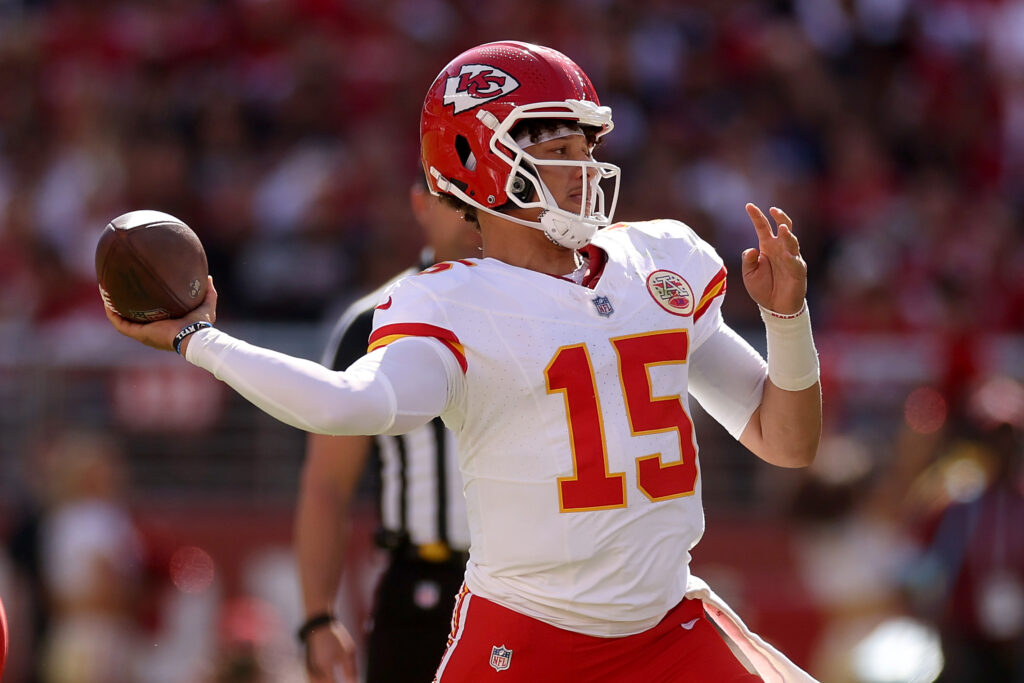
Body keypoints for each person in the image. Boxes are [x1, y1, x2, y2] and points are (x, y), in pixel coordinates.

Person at [104, 40, 823, 682]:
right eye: (554, 151)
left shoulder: (659, 262)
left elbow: (787, 440)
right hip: (529, 638)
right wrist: (197, 339)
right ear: (476, 162)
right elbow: (352, 404)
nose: (581, 170)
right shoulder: (451, 302)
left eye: (583, 148)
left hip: (669, 628)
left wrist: (786, 319)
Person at [294, 181, 479, 683]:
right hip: (424, 582)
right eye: (455, 199)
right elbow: (328, 484)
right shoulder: (373, 323)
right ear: (420, 203)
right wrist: (318, 616)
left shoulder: (550, 305)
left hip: (535, 582)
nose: (471, 215)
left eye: (484, 196)